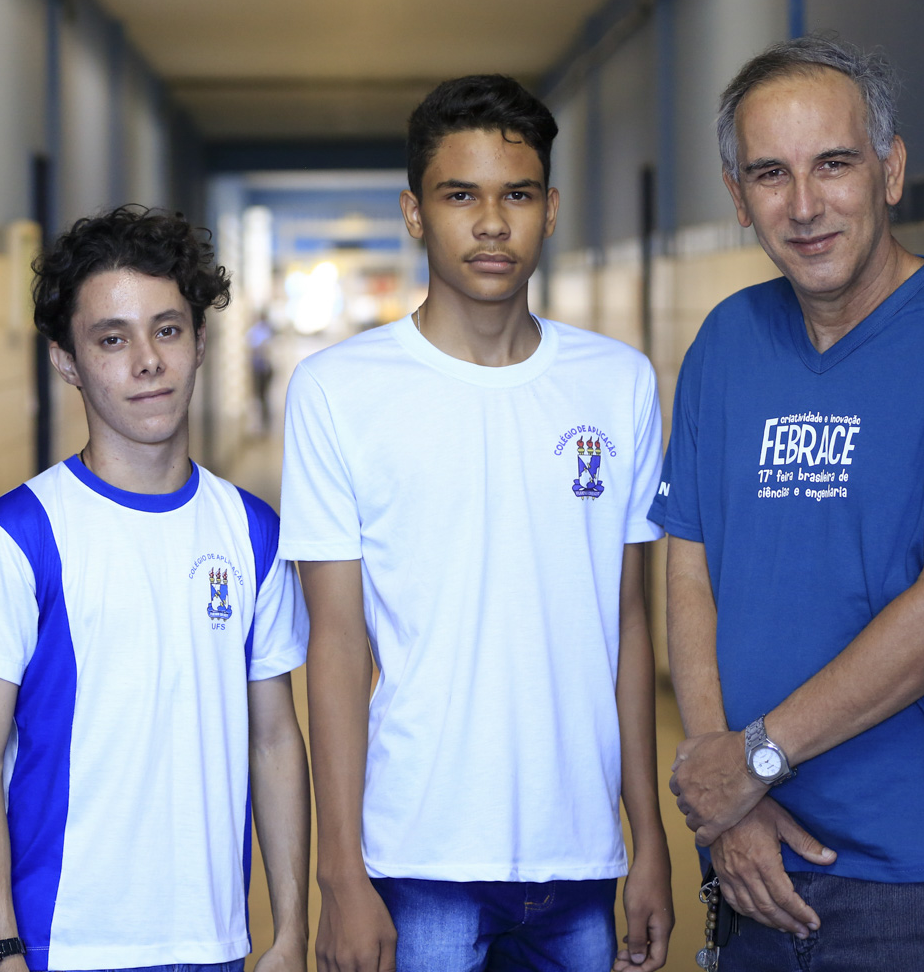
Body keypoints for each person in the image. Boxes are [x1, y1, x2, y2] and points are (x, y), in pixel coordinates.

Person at [655, 36, 924, 971]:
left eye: (833, 164)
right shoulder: (726, 342)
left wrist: (751, 763)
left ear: (890, 170)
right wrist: (729, 798)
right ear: (737, 195)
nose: (804, 206)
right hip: (753, 854)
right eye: (771, 174)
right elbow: (689, 570)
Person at [279, 74, 674, 972]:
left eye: (517, 195)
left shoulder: (620, 386)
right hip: (420, 853)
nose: (491, 223)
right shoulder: (340, 392)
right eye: (461, 196)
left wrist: (645, 838)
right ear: (416, 213)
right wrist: (339, 871)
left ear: (551, 208)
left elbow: (627, 625)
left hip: (580, 854)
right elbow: (335, 648)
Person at [0, 206, 311, 972]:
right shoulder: (18, 538)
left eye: (167, 330)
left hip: (214, 945)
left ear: (201, 344)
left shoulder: (253, 533)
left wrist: (292, 930)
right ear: (67, 361)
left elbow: (274, 741)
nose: (147, 362)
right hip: (59, 947)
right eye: (112, 339)